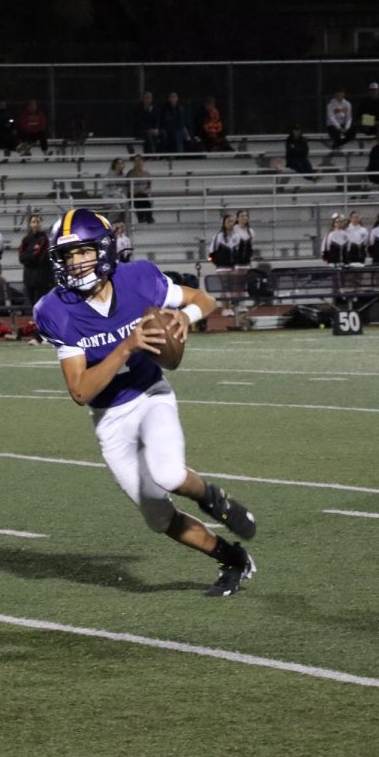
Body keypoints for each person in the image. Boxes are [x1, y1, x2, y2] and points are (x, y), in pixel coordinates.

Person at [33, 208, 258, 597]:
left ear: (103, 250)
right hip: (109, 417)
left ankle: (211, 496)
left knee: (168, 473)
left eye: (82, 252)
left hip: (151, 394)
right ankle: (233, 559)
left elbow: (205, 299)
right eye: (67, 256)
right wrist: (127, 346)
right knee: (158, 518)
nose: (74, 263)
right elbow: (81, 392)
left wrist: (186, 316)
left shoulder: (139, 278)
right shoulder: (54, 310)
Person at [17, 214, 53, 313]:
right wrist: (29, 256)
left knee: (40, 303)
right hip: (29, 277)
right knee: (31, 304)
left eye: (37, 222)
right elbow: (21, 257)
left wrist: (28, 257)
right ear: (30, 224)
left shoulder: (44, 239)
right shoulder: (26, 240)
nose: (35, 224)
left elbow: (39, 257)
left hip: (41, 278)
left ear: (41, 224)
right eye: (33, 222)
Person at [126, 154, 153, 224]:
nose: (138, 162)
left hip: (143, 194)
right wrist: (136, 191)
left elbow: (149, 187)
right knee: (139, 199)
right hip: (133, 194)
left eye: (139, 160)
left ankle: (149, 218)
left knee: (145, 201)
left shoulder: (147, 174)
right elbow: (128, 186)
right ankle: (142, 218)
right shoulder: (130, 173)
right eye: (136, 161)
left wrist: (145, 191)